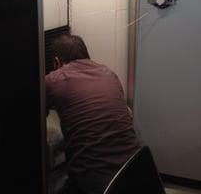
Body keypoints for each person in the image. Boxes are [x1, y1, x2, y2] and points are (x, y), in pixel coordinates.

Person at [45, 34, 141, 194]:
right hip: (136, 172)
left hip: (97, 183)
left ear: (56, 62)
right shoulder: (109, 73)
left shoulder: (54, 80)